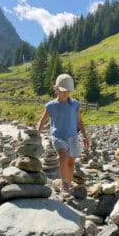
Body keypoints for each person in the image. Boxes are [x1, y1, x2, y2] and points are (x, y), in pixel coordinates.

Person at [36, 73, 90, 201]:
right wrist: (37, 134)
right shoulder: (51, 105)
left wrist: (85, 136)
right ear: (57, 88)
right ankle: (64, 186)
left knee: (71, 163)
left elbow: (80, 122)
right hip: (58, 137)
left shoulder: (75, 104)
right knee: (63, 156)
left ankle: (69, 186)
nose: (66, 93)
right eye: (63, 91)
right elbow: (42, 121)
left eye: (68, 91)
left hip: (72, 137)